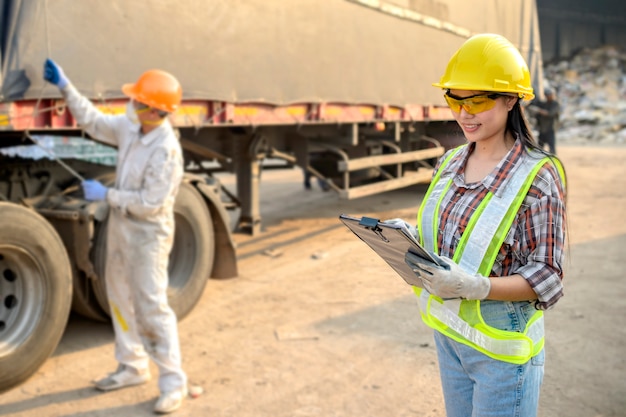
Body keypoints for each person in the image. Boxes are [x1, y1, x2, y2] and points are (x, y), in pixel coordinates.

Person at [402, 34, 567, 417]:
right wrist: (409, 241)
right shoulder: (450, 162)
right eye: (454, 100)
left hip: (502, 352)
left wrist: (477, 286)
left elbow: (548, 276)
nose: (464, 113)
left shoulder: (537, 177)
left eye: (477, 100)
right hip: (450, 338)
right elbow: (454, 242)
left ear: (511, 100)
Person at [43, 59, 188, 414]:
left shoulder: (166, 151)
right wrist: (65, 85)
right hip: (123, 230)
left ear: (155, 111)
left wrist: (105, 195)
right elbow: (92, 121)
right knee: (119, 299)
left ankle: (173, 382)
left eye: (139, 102)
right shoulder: (131, 128)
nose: (132, 105)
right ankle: (132, 366)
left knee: (151, 307)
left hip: (148, 236)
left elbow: (151, 204)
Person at [529, 88, 560, 154]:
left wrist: (538, 110)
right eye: (548, 95)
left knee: (552, 149)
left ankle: (553, 162)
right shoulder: (544, 104)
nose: (550, 96)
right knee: (539, 149)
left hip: (550, 129)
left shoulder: (555, 104)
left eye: (551, 95)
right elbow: (536, 103)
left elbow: (549, 113)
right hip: (542, 129)